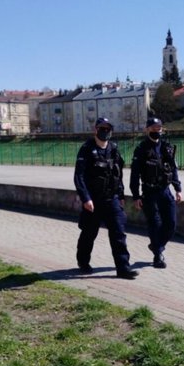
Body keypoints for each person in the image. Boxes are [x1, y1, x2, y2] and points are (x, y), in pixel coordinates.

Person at [74, 117, 138, 280]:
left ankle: (123, 268)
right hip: (93, 201)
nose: (105, 131)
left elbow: (118, 174)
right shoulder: (87, 149)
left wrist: (121, 194)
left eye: (108, 128)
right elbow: (79, 176)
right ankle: (83, 262)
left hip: (112, 199)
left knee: (119, 233)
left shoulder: (114, 149)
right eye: (102, 128)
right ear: (95, 130)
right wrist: (85, 198)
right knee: (89, 234)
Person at [130, 117, 182, 269]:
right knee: (155, 224)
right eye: (153, 128)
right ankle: (158, 255)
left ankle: (156, 246)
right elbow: (135, 174)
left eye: (158, 128)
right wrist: (136, 195)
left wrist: (178, 189)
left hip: (165, 191)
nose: (156, 130)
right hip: (149, 192)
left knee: (171, 224)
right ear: (147, 129)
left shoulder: (166, 147)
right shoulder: (141, 149)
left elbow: (173, 169)